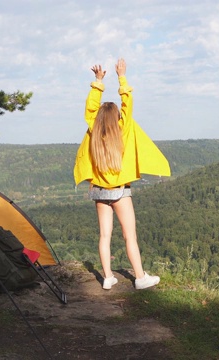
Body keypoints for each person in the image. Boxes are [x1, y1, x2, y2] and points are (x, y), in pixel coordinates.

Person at [73, 58, 171, 290]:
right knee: (130, 237)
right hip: (120, 192)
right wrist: (121, 76)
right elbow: (128, 103)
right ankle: (140, 277)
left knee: (104, 236)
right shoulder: (123, 130)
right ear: (117, 118)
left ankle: (107, 277)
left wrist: (98, 82)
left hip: (98, 191)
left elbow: (90, 108)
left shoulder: (93, 131)